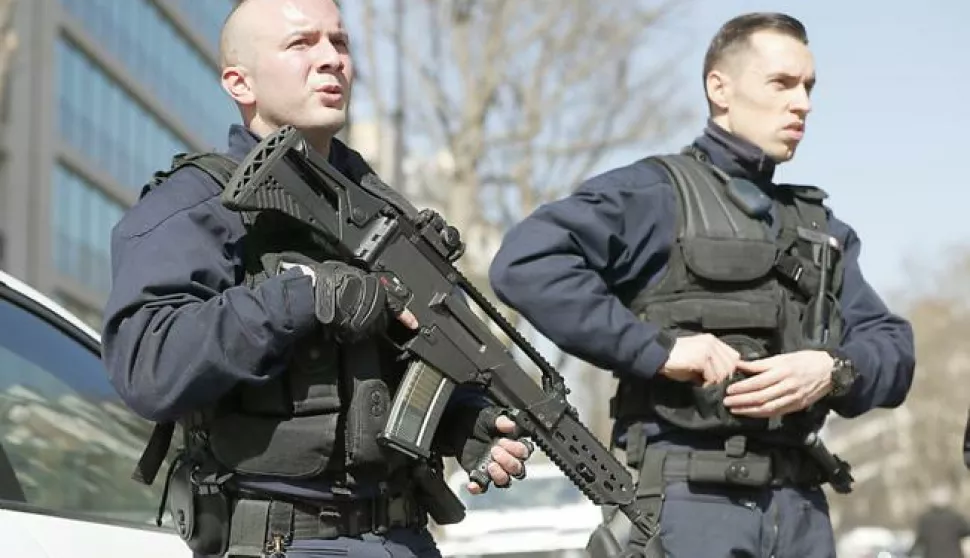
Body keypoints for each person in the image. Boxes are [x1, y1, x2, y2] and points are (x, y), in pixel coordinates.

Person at [101, 1, 531, 557]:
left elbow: (410, 362)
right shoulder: (194, 204)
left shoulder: (383, 210)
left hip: (404, 536)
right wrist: (305, 298)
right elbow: (146, 366)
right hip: (278, 539)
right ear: (239, 81)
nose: (331, 60)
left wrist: (462, 421)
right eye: (301, 44)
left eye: (341, 43)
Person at [489, 12, 915, 558]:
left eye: (809, 87)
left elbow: (894, 348)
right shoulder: (655, 195)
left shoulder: (820, 231)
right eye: (782, 84)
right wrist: (658, 349)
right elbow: (525, 263)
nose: (802, 104)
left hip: (802, 510)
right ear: (720, 87)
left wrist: (831, 371)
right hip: (687, 508)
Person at [909, 488, 970, 558]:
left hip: (932, 555)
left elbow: (920, 540)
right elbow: (966, 532)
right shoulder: (956, 518)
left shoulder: (925, 519)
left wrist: (910, 552)